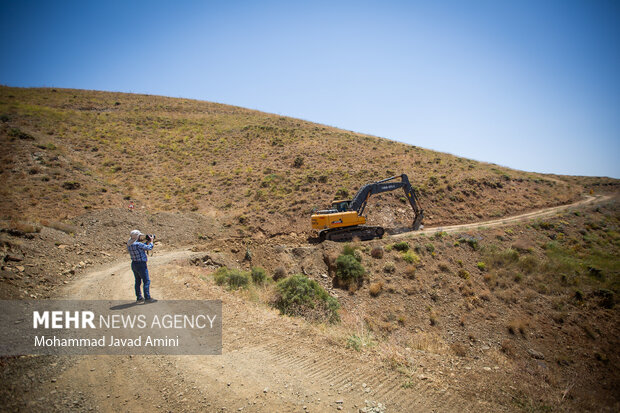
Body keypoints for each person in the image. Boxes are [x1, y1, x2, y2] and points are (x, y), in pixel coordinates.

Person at [126, 229, 156, 303]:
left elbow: (141, 247)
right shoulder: (138, 244)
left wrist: (147, 242)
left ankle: (139, 298)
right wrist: (151, 241)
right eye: (139, 236)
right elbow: (149, 248)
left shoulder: (129, 244)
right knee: (146, 281)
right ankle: (147, 298)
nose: (140, 237)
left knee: (138, 281)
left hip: (134, 264)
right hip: (141, 264)